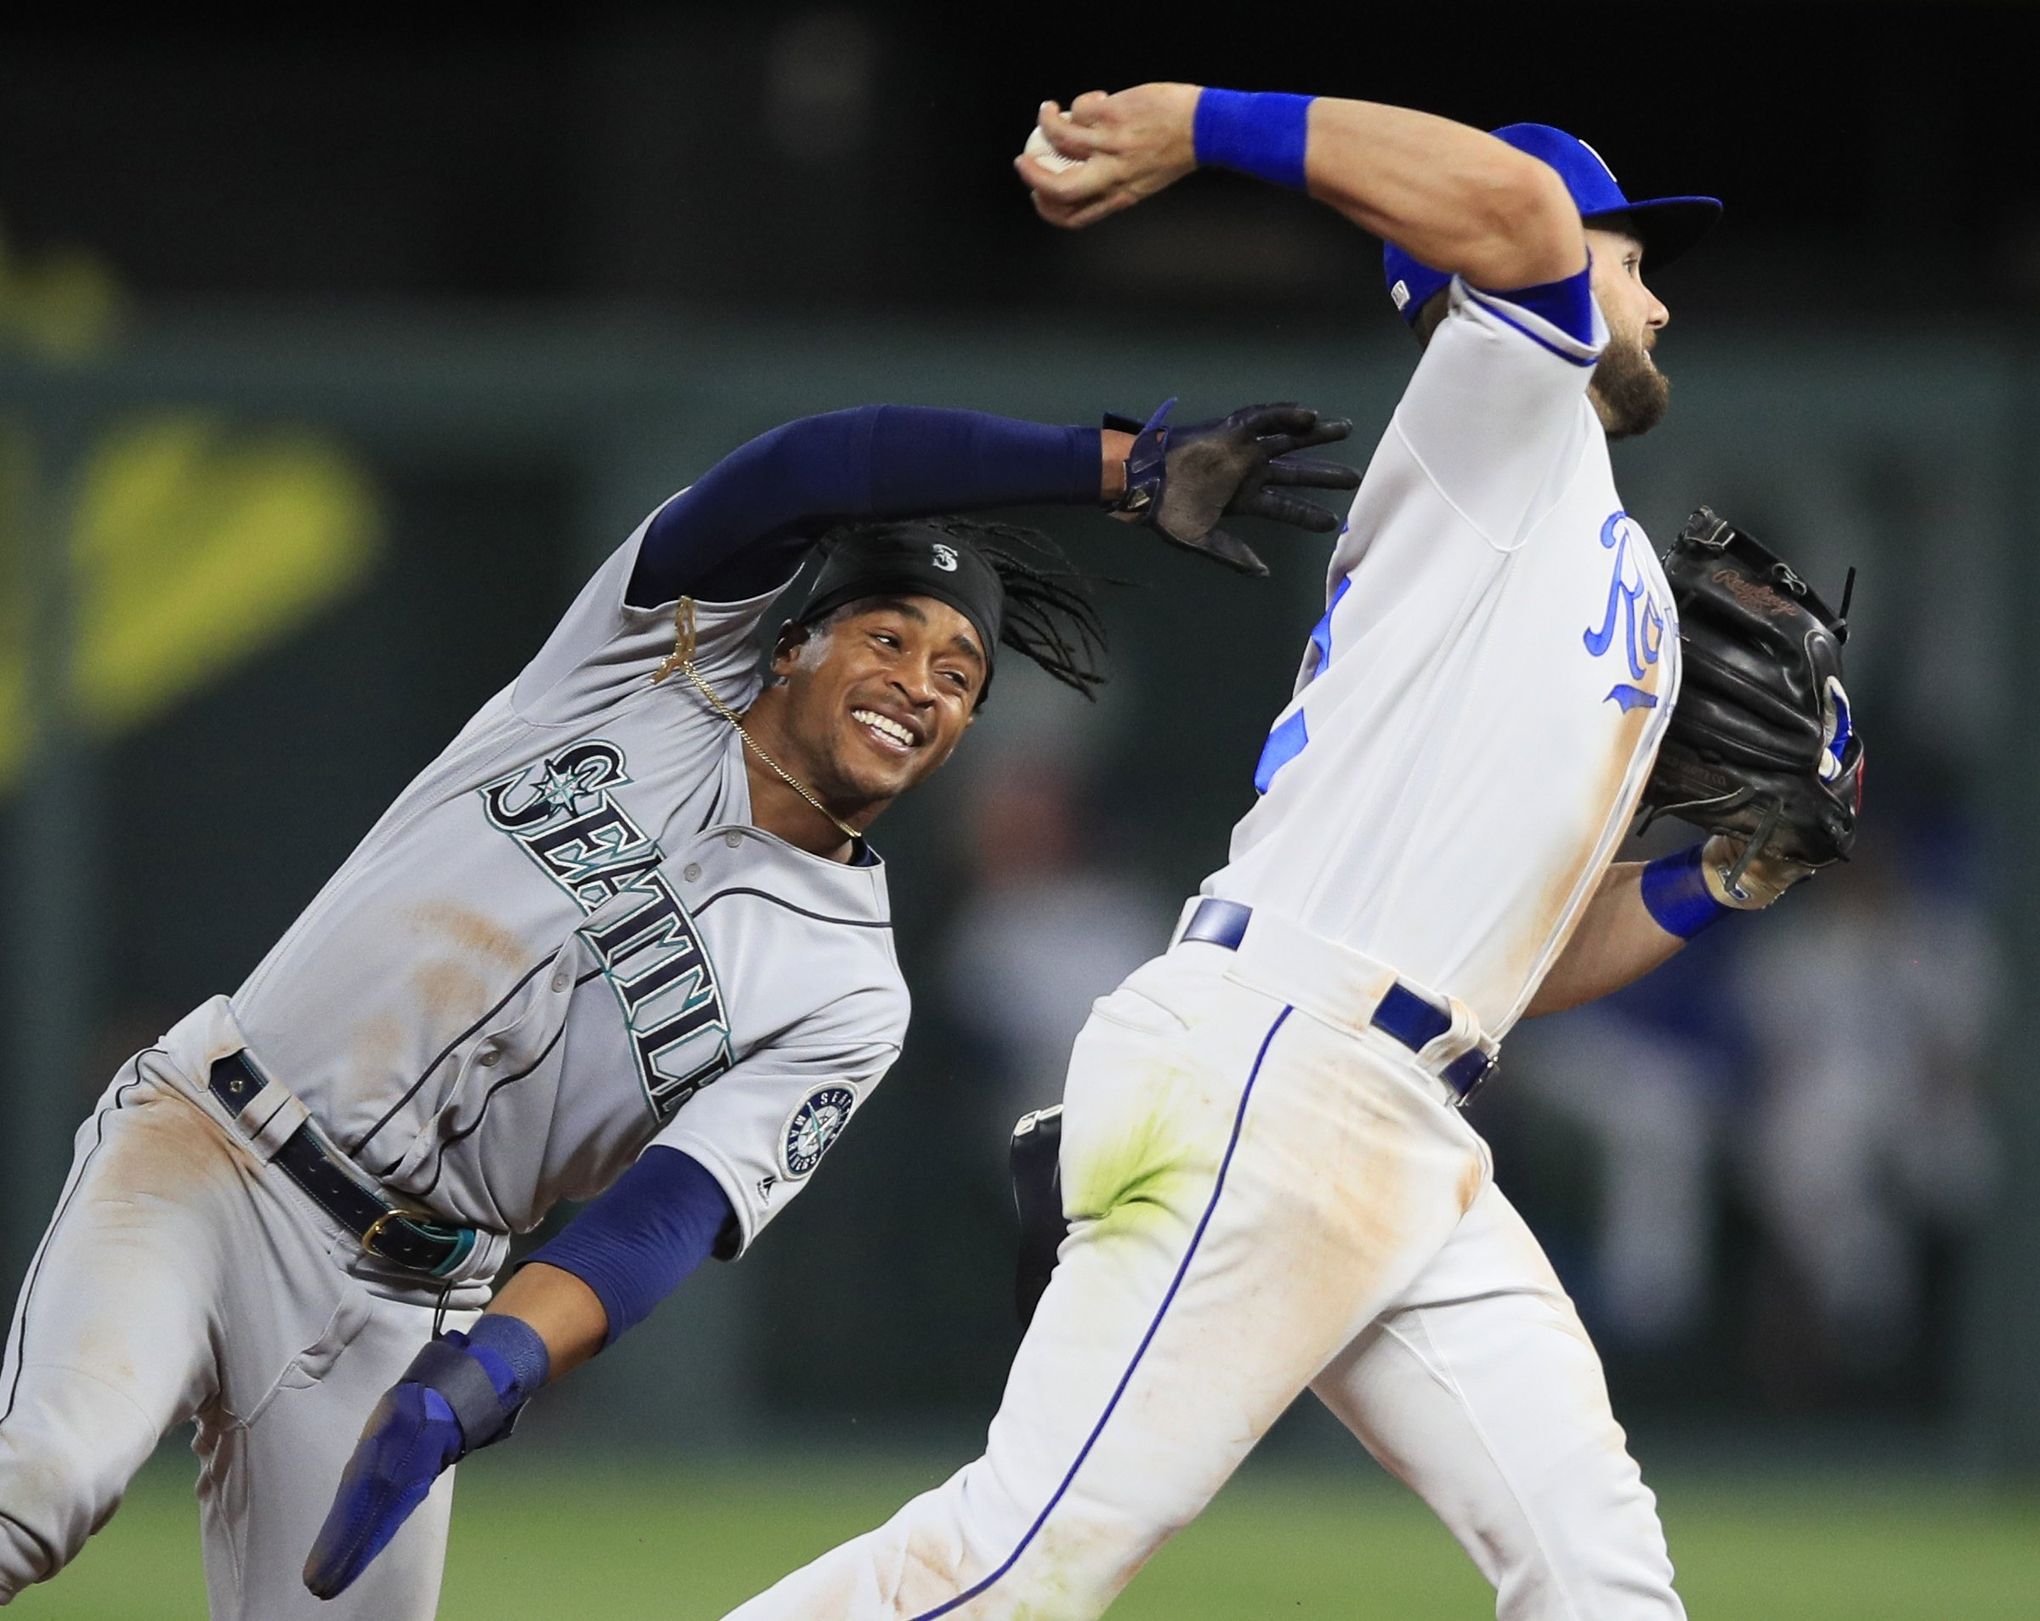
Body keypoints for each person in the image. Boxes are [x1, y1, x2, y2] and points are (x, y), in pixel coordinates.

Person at [721, 85, 1829, 1621]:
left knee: (1597, 1569)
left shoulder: (1619, 568)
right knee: (1017, 1564)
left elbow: (1518, 961)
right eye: (1629, 254)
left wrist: (1724, 882)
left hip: (1410, 1114)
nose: (1657, 293)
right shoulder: (1497, 417)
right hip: (1277, 1073)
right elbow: (1511, 217)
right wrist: (1193, 122)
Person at [0, 398, 1358, 1618]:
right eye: (890, 635)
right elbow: (817, 462)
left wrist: (482, 1378)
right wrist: (1114, 465)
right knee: (42, 1482)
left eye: (959, 679)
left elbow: (670, 1211)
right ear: (793, 646)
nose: (921, 685)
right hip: (215, 1150)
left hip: (406, 1292)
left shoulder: (849, 991)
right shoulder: (640, 667)